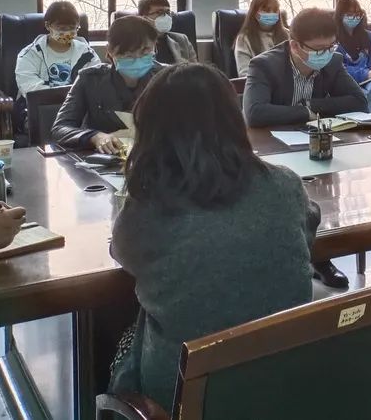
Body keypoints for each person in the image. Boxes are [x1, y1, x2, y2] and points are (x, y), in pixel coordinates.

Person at [108, 64, 318, 410]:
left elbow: (123, 253)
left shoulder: (151, 201)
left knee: (126, 336)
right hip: (284, 379)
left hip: (186, 394)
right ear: (234, 119)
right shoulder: (285, 184)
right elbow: (307, 232)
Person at [242, 7, 363, 289]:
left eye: (330, 46)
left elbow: (358, 100)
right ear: (295, 46)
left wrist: (310, 107)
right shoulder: (264, 65)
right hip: (271, 150)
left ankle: (320, 257)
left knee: (324, 194)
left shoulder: (332, 61)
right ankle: (282, 258)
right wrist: (304, 113)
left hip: (313, 143)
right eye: (318, 49)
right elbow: (255, 113)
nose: (325, 54)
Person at [51, 16, 161, 153]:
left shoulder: (168, 77)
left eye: (145, 52)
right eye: (128, 55)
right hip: (105, 158)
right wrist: (95, 137)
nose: (137, 59)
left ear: (154, 46)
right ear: (109, 50)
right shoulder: (90, 79)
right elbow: (60, 128)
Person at [14, 0, 100, 130]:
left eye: (72, 27)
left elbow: (95, 82)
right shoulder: (30, 53)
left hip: (78, 109)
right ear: (48, 26)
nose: (67, 32)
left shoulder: (87, 53)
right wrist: (66, 98)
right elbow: (29, 87)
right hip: (41, 109)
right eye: (62, 28)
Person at [234, 0, 289, 77]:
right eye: (266, 10)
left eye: (275, 10)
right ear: (255, 13)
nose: (271, 13)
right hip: (259, 83)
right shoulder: (244, 39)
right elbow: (245, 74)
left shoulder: (288, 34)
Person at [138, 0, 196, 65]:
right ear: (144, 18)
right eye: (159, 12)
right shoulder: (134, 43)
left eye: (168, 12)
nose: (166, 16)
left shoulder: (182, 39)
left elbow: (195, 68)